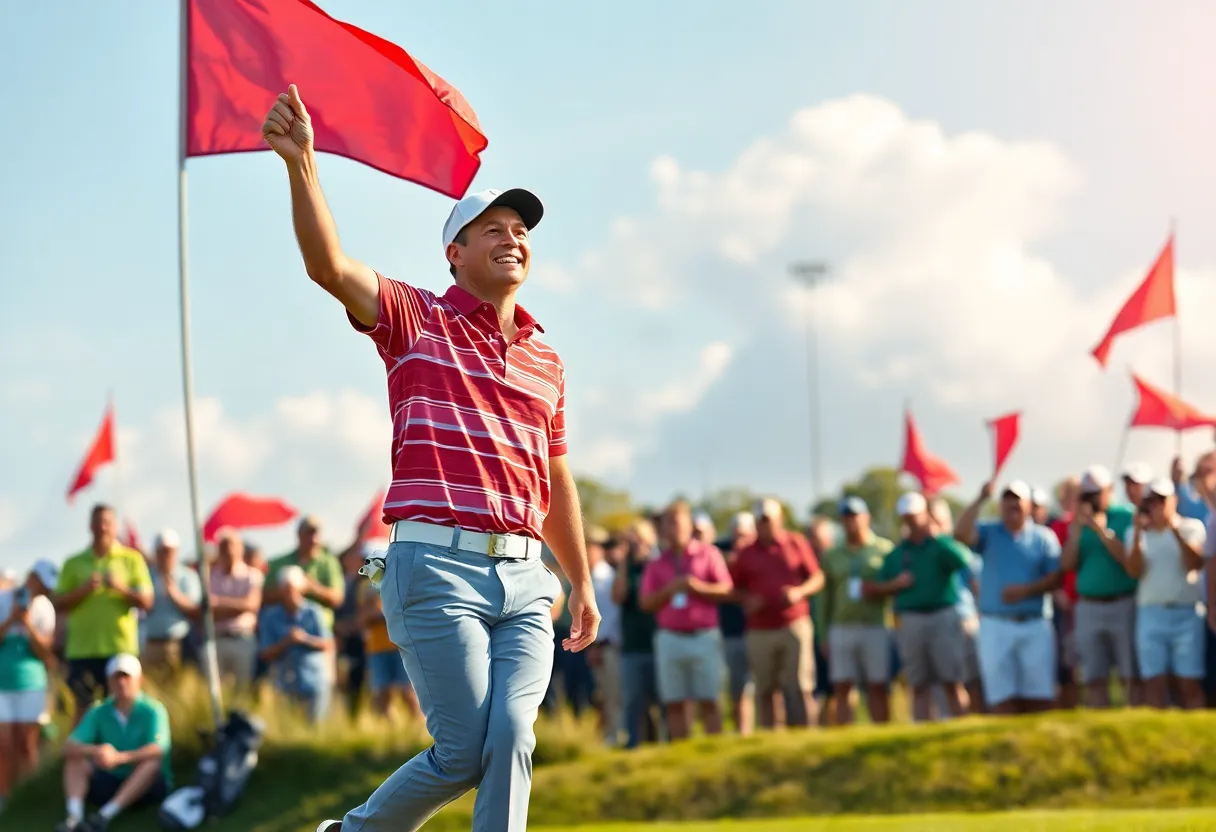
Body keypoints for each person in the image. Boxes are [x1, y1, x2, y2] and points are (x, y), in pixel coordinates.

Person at [260, 85, 597, 832]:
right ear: (456, 254)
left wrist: (580, 579)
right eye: (493, 230)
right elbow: (330, 266)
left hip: (524, 578)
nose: (513, 239)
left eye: (520, 230)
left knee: (511, 737)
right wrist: (302, 166)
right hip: (434, 569)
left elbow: (557, 475)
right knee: (463, 750)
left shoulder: (548, 358)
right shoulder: (418, 318)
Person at [956, 480, 1062, 715]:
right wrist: (980, 499)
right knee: (1000, 693)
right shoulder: (988, 532)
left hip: (1034, 624)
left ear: (1029, 505)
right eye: (1007, 500)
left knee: (1039, 695)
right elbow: (960, 533)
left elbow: (1056, 578)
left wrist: (1025, 591)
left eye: (1017, 500)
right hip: (996, 624)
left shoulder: (1044, 537)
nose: (1012, 505)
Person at [640, 500, 734, 740]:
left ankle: (714, 749)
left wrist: (696, 587)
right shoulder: (657, 563)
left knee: (710, 699)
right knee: (674, 702)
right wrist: (669, 591)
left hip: (704, 635)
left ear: (689, 524)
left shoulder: (708, 554)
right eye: (667, 524)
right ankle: (681, 750)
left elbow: (726, 590)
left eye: (676, 522)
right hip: (670, 637)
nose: (672, 529)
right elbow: (646, 602)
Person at [54, 504, 154, 725]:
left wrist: (121, 588)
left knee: (122, 709)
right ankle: (82, 758)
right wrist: (83, 590)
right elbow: (57, 602)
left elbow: (147, 601)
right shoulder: (73, 563)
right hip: (82, 650)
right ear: (90, 526)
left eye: (107, 522)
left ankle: (120, 757)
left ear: (115, 526)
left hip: (120, 649)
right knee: (83, 711)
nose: (102, 527)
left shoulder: (132, 559)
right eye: (98, 522)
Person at [729, 498, 823, 729]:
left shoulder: (796, 542)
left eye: (768, 520)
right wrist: (748, 600)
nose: (764, 525)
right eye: (760, 521)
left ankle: (803, 736)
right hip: (760, 629)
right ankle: (771, 737)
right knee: (765, 689)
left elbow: (817, 578)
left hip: (794, 624)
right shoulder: (746, 553)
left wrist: (799, 592)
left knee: (799, 686)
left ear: (779, 519)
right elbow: (733, 588)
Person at [55, 654, 172, 832]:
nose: (121, 683)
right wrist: (97, 751)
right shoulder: (99, 711)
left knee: (151, 764)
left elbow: (158, 749)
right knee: (75, 758)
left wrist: (120, 758)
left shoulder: (153, 710)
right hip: (109, 779)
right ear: (108, 681)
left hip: (148, 786)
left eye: (126, 677)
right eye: (116, 677)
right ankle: (74, 819)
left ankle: (104, 816)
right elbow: (69, 747)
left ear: (139, 680)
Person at [1123, 478, 1208, 709]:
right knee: (1154, 682)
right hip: (1151, 613)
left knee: (1188, 683)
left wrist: (1173, 528)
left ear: (1174, 501)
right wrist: (1139, 534)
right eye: (1151, 501)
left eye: (1162, 500)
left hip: (1186, 612)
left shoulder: (1192, 527)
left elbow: (1194, 563)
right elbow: (1133, 570)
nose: (1157, 506)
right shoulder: (1135, 533)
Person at [1061, 465, 1139, 708]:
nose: (1093, 499)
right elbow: (1067, 565)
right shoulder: (1077, 524)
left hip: (1123, 603)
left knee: (1131, 676)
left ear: (1109, 490)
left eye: (1097, 492)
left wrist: (1101, 530)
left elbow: (1128, 561)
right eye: (1087, 494)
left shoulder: (1126, 516)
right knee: (1094, 677)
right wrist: (1075, 533)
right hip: (1088, 607)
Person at [820, 497, 895, 725]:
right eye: (846, 517)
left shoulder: (884, 549)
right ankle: (846, 735)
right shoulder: (832, 554)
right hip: (841, 627)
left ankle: (882, 735)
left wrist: (878, 589)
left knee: (878, 684)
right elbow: (824, 599)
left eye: (855, 516)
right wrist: (823, 635)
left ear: (866, 518)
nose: (851, 521)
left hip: (875, 624)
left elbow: (896, 586)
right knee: (842, 686)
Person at [0, 560, 58, 810]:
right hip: (2, 682)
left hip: (32, 683)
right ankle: (5, 797)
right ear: (32, 577)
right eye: (43, 585)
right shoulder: (2, 600)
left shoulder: (45, 608)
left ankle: (30, 796)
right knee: (3, 743)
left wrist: (27, 624)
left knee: (27, 742)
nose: (44, 591)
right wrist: (10, 620)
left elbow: (45, 653)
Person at [257, 566, 335, 723]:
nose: (289, 594)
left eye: (292, 589)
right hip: (285, 683)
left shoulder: (313, 612)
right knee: (288, 726)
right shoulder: (270, 616)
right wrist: (285, 642)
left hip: (314, 680)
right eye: (285, 589)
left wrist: (304, 639)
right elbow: (265, 653)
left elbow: (328, 644)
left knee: (315, 727)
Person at [612, 519, 662, 748]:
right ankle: (633, 745)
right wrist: (624, 561)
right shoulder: (626, 568)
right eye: (634, 539)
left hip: (659, 643)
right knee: (633, 703)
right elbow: (618, 596)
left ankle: (664, 744)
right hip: (632, 646)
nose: (638, 544)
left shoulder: (660, 565)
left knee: (663, 702)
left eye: (642, 538)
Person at [206, 529, 265, 690]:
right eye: (224, 546)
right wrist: (236, 606)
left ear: (240, 548)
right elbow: (207, 608)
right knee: (217, 690)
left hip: (243, 639)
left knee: (242, 688)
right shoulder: (210, 575)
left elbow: (250, 605)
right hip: (217, 638)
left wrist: (218, 603)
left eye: (231, 545)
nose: (228, 550)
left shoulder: (252, 575)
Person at [141, 530, 202, 678]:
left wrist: (175, 594)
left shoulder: (188, 576)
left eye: (169, 551)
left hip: (179, 643)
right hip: (150, 643)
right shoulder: (145, 574)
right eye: (162, 551)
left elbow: (195, 610)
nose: (165, 556)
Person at [717, 512, 756, 736]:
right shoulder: (719, 551)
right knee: (738, 689)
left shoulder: (761, 553)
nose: (739, 540)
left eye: (744, 535)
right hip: (731, 632)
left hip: (761, 629)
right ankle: (743, 734)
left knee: (769, 689)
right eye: (736, 535)